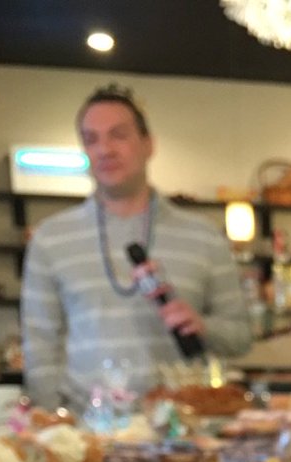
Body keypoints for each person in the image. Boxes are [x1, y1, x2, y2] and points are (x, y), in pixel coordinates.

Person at [21, 84, 252, 409]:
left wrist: (203, 326)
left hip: (183, 428)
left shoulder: (204, 237)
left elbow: (240, 337)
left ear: (149, 145)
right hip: (88, 429)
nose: (104, 150)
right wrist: (57, 424)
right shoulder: (50, 239)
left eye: (118, 135)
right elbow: (40, 348)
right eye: (91, 139)